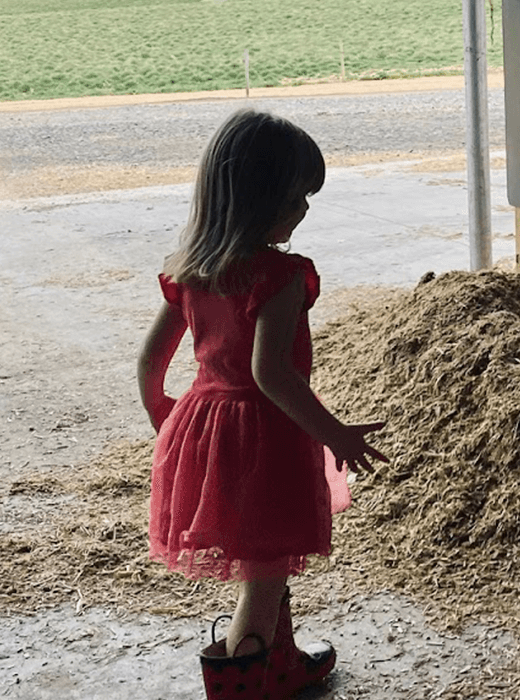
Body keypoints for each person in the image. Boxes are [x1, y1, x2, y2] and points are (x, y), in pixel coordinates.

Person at [137, 107, 388, 699]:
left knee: (261, 560)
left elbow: (149, 363)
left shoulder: (191, 270)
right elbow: (270, 372)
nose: (304, 209)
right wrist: (336, 433)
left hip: (203, 424)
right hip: (265, 437)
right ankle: (244, 684)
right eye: (296, 195)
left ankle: (285, 661)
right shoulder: (279, 276)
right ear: (259, 196)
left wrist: (168, 423)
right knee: (265, 573)